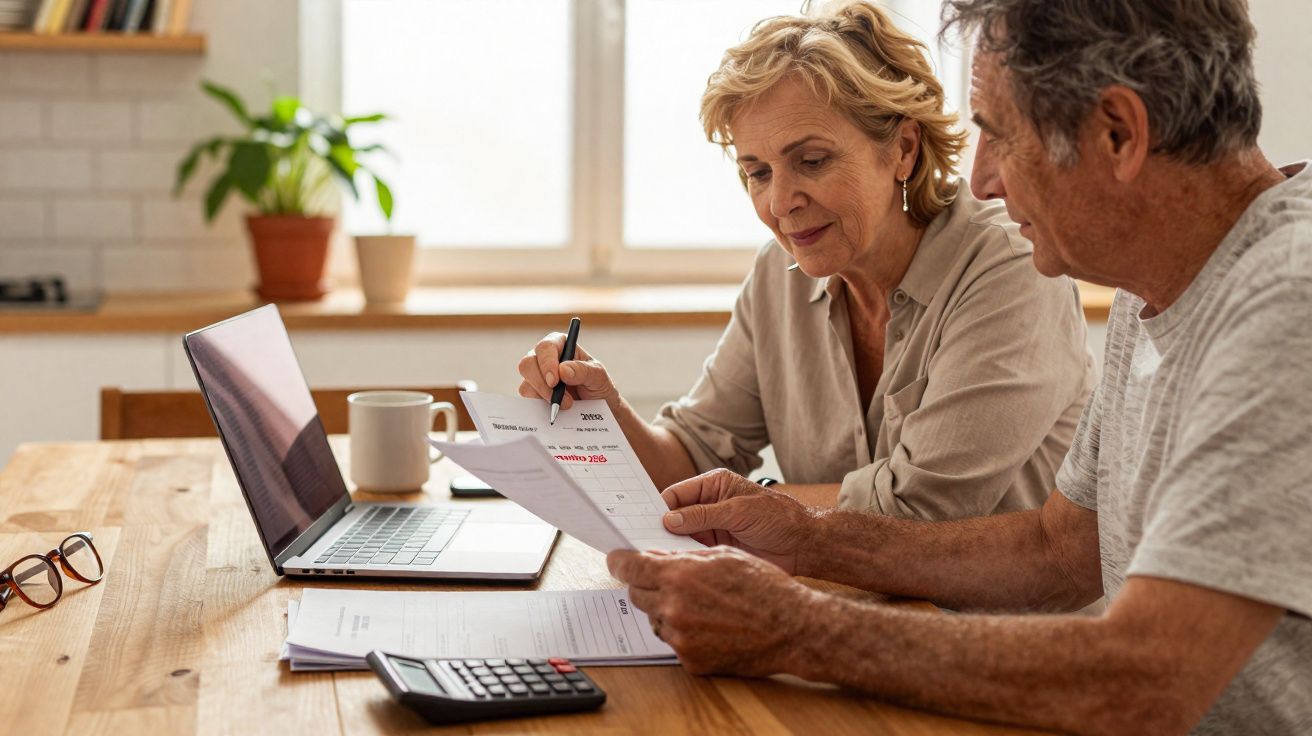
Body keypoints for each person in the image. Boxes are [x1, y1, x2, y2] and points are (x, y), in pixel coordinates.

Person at [607, 0, 1312, 733]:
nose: (983, 180)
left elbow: (1148, 678)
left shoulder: (1290, 297)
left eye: (1002, 135)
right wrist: (806, 535)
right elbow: (1058, 551)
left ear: (1118, 133)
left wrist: (797, 628)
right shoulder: (1157, 282)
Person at [518, 1, 1093, 519]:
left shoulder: (1010, 265)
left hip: (992, 608)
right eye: (757, 172)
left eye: (812, 161)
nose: (779, 203)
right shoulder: (779, 275)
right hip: (839, 597)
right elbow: (692, 455)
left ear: (903, 149)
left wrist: (750, 501)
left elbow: (920, 508)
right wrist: (606, 410)